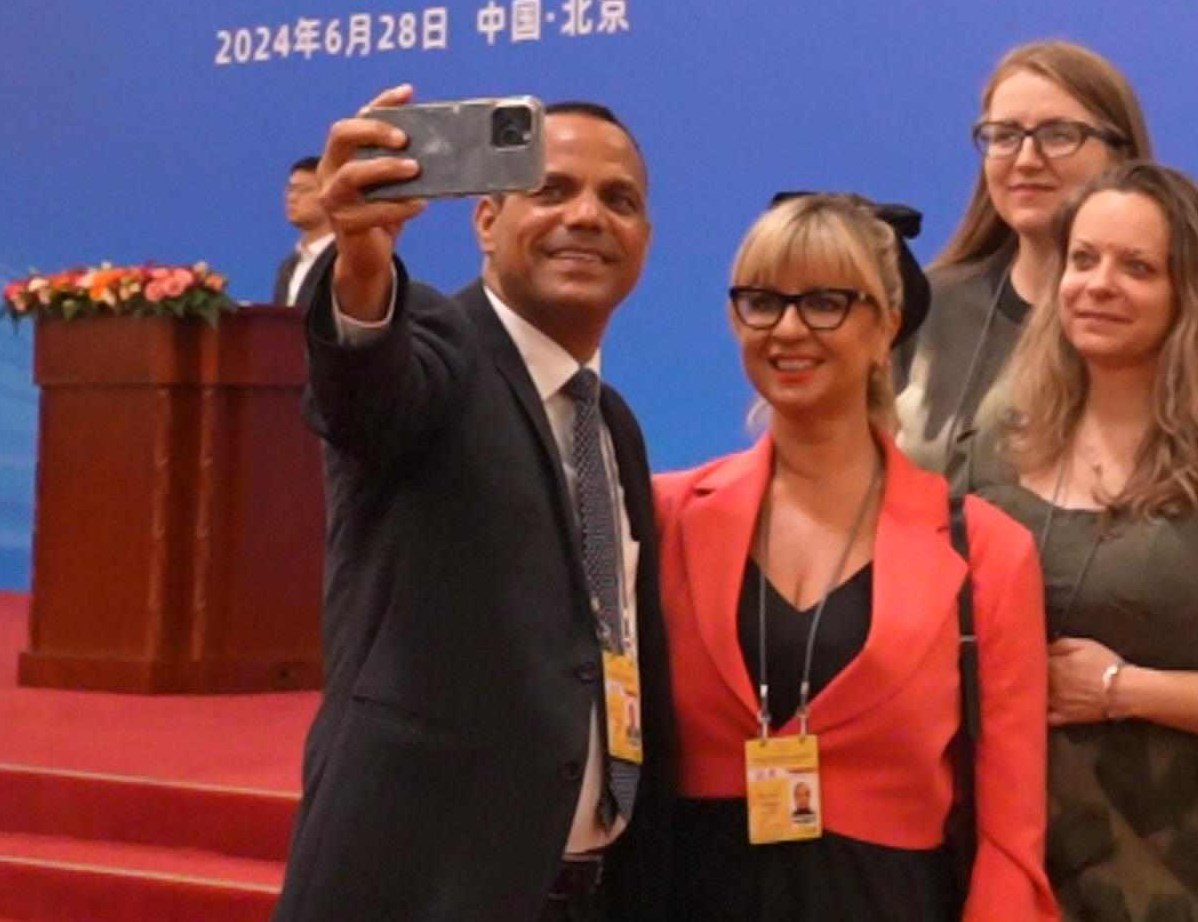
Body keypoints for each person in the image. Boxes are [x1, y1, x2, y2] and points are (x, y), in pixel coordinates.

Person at [273, 87, 674, 922]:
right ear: (486, 220)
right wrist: (361, 267)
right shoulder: (436, 345)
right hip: (421, 890)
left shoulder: (611, 425)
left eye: (619, 200)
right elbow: (365, 386)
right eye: (551, 189)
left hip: (585, 890)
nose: (587, 216)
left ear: (645, 240)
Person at [656, 193, 1059, 922]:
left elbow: (1009, 842)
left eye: (825, 303)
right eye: (762, 302)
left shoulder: (988, 552)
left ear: (887, 327)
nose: (787, 329)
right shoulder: (664, 516)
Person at [969, 162, 1198, 922]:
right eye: (1083, 259)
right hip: (996, 865)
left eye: (1136, 267)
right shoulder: (995, 449)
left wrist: (1123, 689)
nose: (1098, 285)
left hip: (1167, 874)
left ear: (1190, 296)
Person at [897, 41, 1152, 479]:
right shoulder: (925, 308)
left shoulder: (1163, 320)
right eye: (1004, 136)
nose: (1027, 160)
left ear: (1121, 154)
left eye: (1058, 135)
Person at [270, 154, 332, 304]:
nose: (291, 198)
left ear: (331, 195)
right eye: (290, 189)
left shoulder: (347, 260)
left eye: (303, 190)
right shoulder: (287, 267)